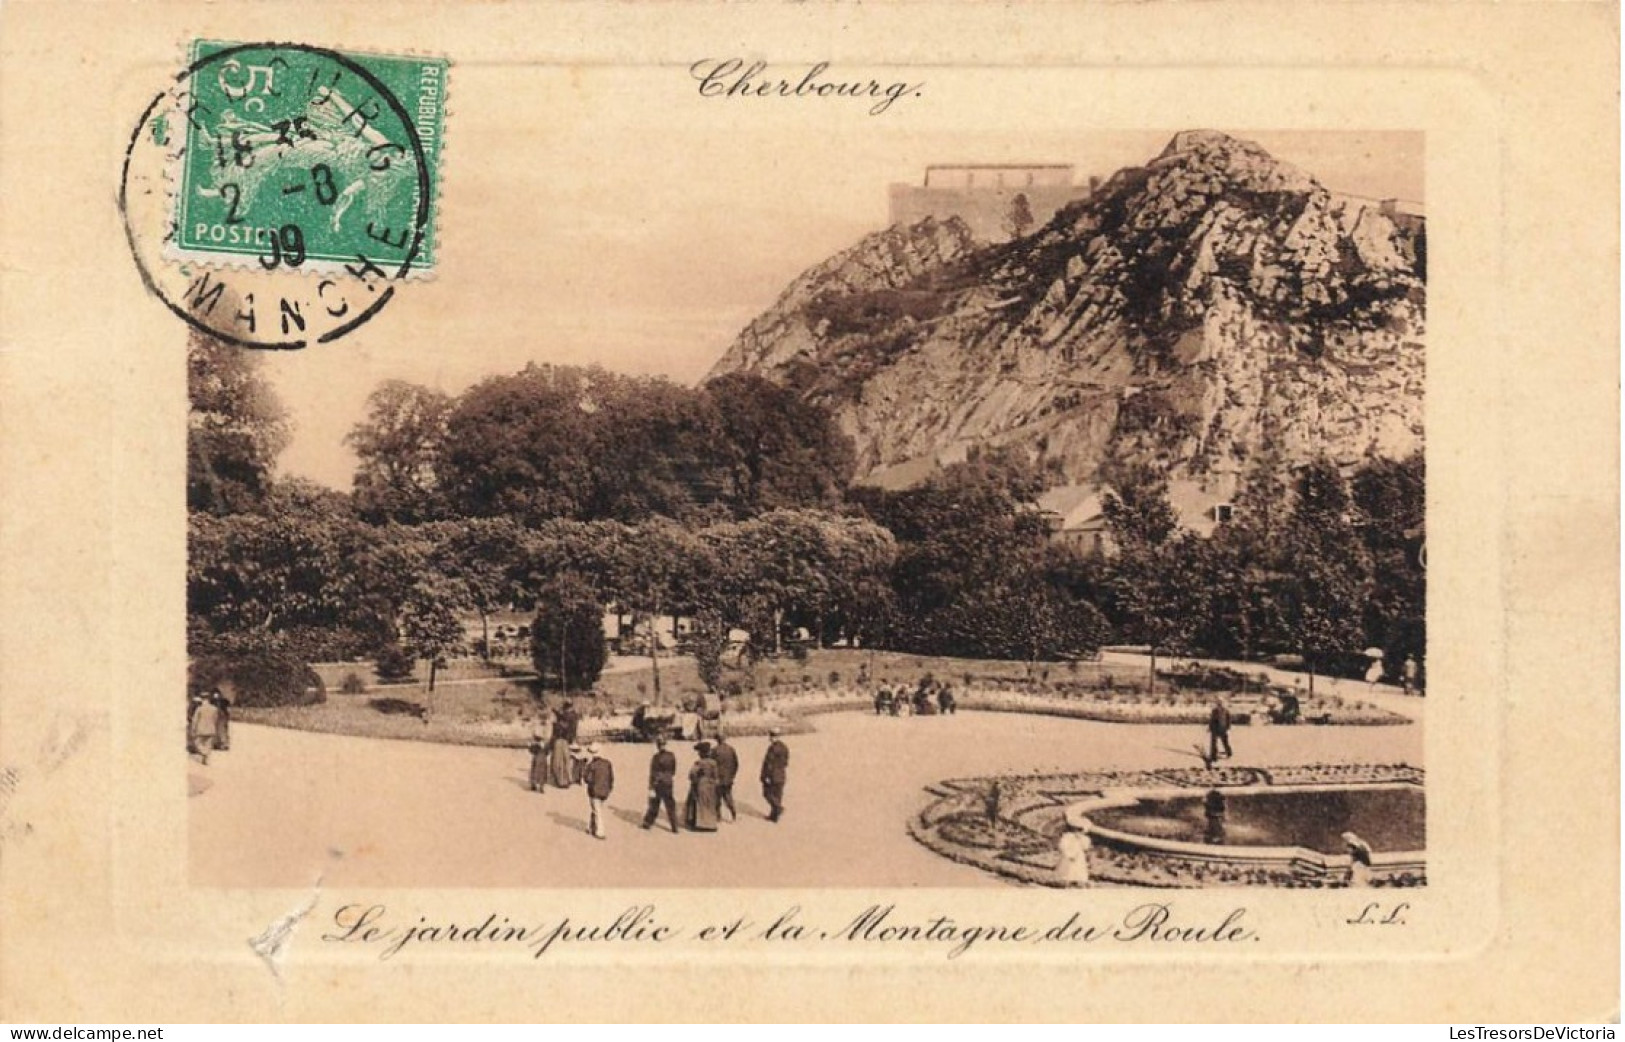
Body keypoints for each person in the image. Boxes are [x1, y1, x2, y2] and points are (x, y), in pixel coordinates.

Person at [641, 736, 679, 833]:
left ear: (658, 746)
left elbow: (653, 772)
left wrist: (651, 785)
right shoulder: (671, 755)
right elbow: (674, 770)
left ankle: (648, 823)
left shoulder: (656, 757)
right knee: (670, 804)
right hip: (668, 781)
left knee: (654, 804)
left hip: (658, 782)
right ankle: (674, 826)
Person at [685, 742, 720, 832]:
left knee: (700, 805)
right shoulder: (714, 763)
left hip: (701, 784)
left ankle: (701, 824)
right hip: (711, 785)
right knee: (710, 804)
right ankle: (711, 824)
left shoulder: (699, 763)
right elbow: (716, 776)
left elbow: (691, 774)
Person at [583, 742, 614, 840]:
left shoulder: (591, 765)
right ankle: (591, 827)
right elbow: (611, 777)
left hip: (594, 791)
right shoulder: (607, 763)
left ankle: (600, 831)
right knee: (597, 809)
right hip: (605, 791)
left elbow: (587, 779)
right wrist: (609, 788)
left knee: (597, 811)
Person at [547, 700, 579, 788]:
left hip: (560, 741)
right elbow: (563, 718)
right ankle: (567, 779)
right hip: (567, 741)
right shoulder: (573, 716)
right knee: (566, 761)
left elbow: (562, 720)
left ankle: (561, 781)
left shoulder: (564, 721)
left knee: (558, 761)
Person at [761, 727, 790, 823]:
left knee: (767, 794)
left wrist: (766, 776)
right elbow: (786, 762)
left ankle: (778, 808)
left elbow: (769, 763)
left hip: (772, 775)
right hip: (781, 774)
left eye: (770, 736)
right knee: (778, 795)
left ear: (773, 736)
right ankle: (774, 817)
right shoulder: (784, 747)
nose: (769, 738)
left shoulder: (772, 748)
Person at [712, 733, 740, 822]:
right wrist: (732, 775)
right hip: (728, 778)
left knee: (717, 798)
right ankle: (733, 813)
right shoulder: (731, 749)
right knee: (728, 796)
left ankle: (718, 817)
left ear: (717, 740)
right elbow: (736, 764)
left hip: (718, 778)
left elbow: (712, 765)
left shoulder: (714, 750)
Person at [189, 693, 221, 766]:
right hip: (211, 729)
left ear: (203, 700)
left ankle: (204, 753)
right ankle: (205, 757)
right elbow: (216, 719)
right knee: (208, 745)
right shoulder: (214, 709)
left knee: (197, 743)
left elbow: (195, 720)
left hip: (201, 729)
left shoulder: (199, 709)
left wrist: (193, 729)